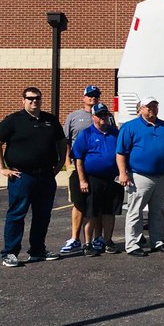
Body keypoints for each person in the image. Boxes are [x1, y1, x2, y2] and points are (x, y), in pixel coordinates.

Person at [0, 87, 66, 266]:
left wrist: (59, 164)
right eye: (30, 98)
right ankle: (9, 253)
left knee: (43, 215)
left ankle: (38, 251)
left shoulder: (50, 120)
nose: (34, 101)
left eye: (37, 98)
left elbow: (61, 142)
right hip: (21, 176)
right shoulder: (13, 120)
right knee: (17, 214)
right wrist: (2, 168)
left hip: (46, 176)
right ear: (23, 100)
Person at [116, 95, 164, 257]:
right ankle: (132, 244)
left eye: (154, 106)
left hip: (163, 175)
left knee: (158, 210)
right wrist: (123, 173)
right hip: (139, 176)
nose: (152, 109)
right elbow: (121, 153)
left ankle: (158, 241)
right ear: (140, 109)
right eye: (148, 106)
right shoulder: (130, 127)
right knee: (135, 211)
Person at [60, 84, 107, 256]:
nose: (93, 98)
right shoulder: (74, 117)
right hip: (76, 165)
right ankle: (75, 238)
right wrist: (66, 162)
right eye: (90, 95)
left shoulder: (104, 115)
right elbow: (66, 141)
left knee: (98, 203)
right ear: (84, 98)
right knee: (79, 202)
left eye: (96, 95)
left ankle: (98, 238)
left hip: (96, 167)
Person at [71, 102, 123, 256]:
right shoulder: (86, 134)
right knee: (91, 212)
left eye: (105, 115)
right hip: (92, 179)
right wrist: (82, 180)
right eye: (100, 115)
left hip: (113, 179)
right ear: (93, 116)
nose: (103, 118)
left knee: (110, 211)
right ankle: (88, 243)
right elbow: (78, 159)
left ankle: (107, 241)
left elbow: (122, 154)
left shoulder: (115, 133)